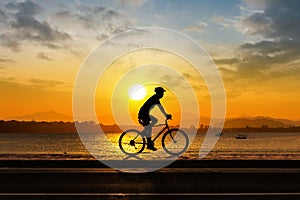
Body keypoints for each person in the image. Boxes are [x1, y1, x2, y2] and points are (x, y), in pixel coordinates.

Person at [138, 87, 172, 151]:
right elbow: (161, 109)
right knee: (149, 128)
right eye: (162, 93)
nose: (163, 95)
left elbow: (161, 108)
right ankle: (149, 145)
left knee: (154, 121)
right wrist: (166, 115)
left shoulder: (156, 99)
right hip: (143, 113)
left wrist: (166, 115)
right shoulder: (155, 98)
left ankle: (145, 133)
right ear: (158, 93)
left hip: (145, 113)